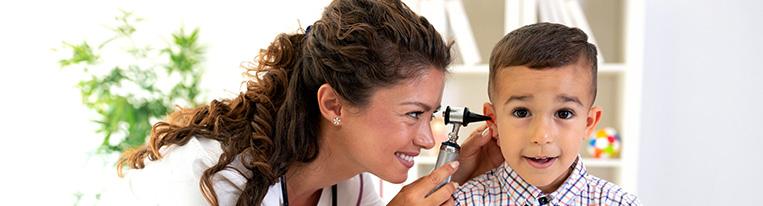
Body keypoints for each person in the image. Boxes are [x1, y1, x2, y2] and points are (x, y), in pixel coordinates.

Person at [103, 0, 500, 205]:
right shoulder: (207, 180)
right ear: (334, 105)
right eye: (413, 114)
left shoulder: (350, 186)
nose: (427, 140)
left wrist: (458, 177)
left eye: (429, 115)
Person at [453, 23, 641, 205]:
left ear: (589, 123)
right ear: (493, 121)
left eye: (564, 113)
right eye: (521, 112)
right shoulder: (462, 201)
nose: (541, 136)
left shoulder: (621, 203)